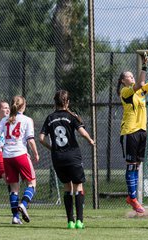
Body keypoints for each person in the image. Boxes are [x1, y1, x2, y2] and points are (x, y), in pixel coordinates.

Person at [39, 90, 95, 229]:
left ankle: (70, 221)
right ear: (67, 102)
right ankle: (79, 221)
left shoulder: (50, 118)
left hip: (58, 158)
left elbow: (40, 138)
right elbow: (82, 132)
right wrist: (90, 140)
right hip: (72, 156)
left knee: (67, 187)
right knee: (78, 186)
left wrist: (52, 148)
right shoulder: (71, 116)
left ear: (55, 102)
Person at [116, 54, 148, 213]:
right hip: (130, 132)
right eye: (129, 76)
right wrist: (144, 64)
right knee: (130, 166)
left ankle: (131, 197)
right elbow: (141, 82)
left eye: (132, 75)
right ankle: (133, 198)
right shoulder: (126, 92)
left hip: (142, 131)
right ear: (123, 81)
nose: (132, 77)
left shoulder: (141, 91)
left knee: (137, 165)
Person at [0, 95, 39, 225]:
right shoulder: (27, 120)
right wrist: (36, 153)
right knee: (32, 183)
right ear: (23, 106)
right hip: (20, 154)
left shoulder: (5, 119)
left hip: (7, 156)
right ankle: (23, 204)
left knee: (14, 188)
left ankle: (15, 217)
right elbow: (30, 140)